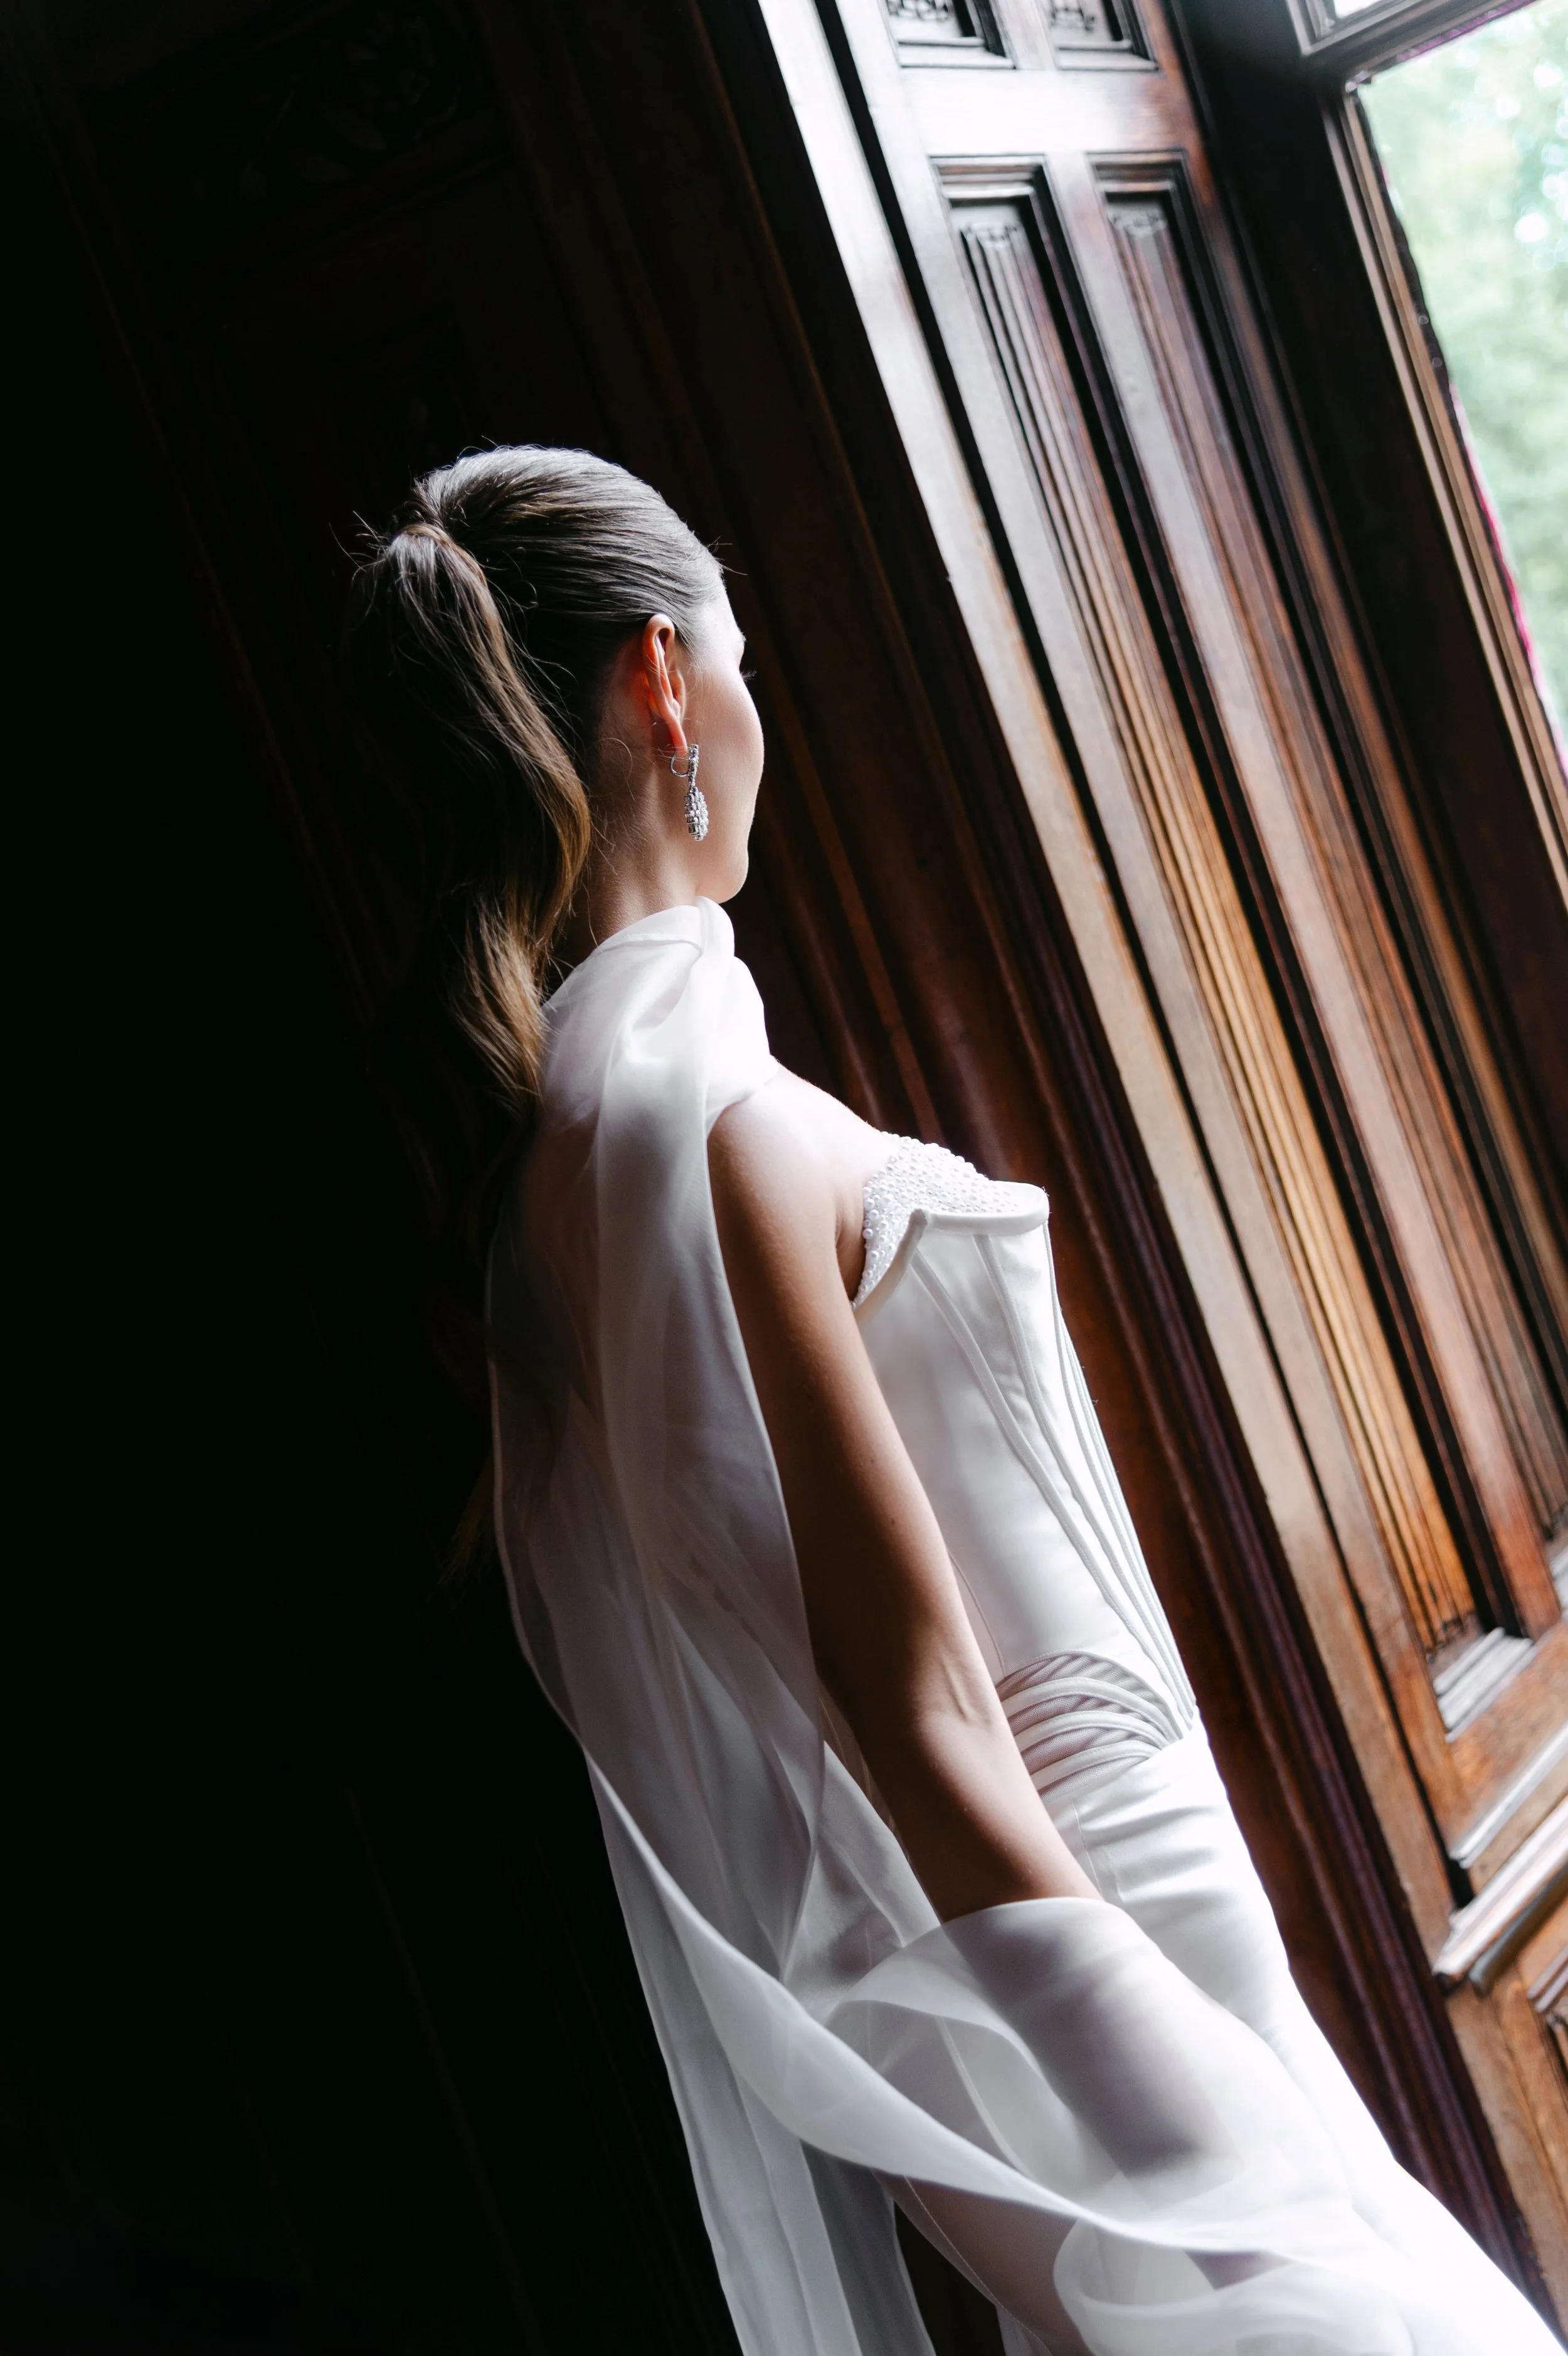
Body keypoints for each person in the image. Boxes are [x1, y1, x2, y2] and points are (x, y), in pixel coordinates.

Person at [346, 444, 1559, 2356]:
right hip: (1095, 1897)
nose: (758, 708)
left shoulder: (554, 1175)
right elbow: (909, 1713)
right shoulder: (707, 1123)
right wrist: (1223, 2157)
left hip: (1043, 1906)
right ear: (667, 679)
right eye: (742, 656)